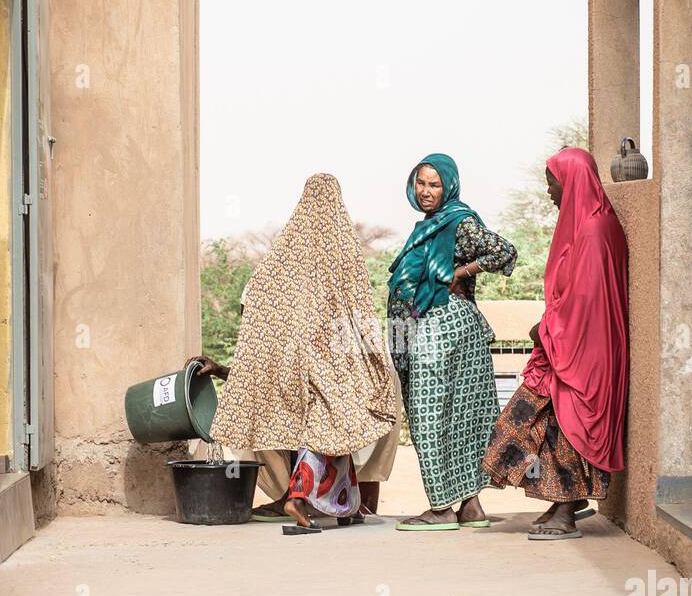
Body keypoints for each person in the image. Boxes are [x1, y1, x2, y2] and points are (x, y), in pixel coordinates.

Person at [191, 173, 397, 531]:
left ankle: (342, 505)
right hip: (331, 365)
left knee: (325, 431)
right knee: (330, 428)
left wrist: (232, 370)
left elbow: (255, 331)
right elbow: (362, 312)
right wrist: (375, 363)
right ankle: (299, 498)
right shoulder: (343, 255)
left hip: (286, 369)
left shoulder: (276, 265)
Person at [483, 145, 628, 540]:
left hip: (583, 351)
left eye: (552, 182)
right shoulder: (584, 225)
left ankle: (566, 509)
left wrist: (545, 330)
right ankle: (563, 501)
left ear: (572, 182)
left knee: (563, 427)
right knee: (544, 427)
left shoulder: (596, 231)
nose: (549, 191)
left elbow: (588, 303)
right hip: (562, 345)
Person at [387, 156, 516, 531]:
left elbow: (504, 251)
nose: (426, 192)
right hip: (446, 328)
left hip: (443, 325)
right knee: (461, 415)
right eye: (421, 184)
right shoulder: (430, 225)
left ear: (450, 187)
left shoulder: (459, 220)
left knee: (429, 415)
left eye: (435, 185)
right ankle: (471, 506)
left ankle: (442, 508)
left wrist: (458, 272)